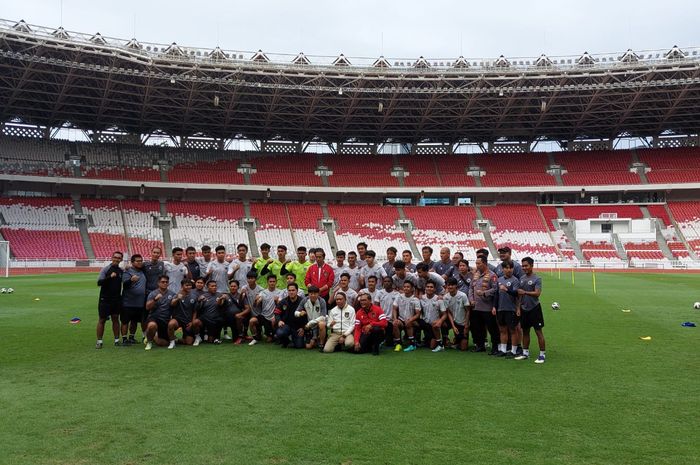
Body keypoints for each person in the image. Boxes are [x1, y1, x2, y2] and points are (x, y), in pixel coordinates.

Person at [515, 257, 546, 363]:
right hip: (524, 309)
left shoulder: (537, 278)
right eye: (523, 266)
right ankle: (525, 353)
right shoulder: (522, 278)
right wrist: (518, 307)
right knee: (525, 331)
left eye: (526, 265)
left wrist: (525, 292)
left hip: (534, 308)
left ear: (531, 266)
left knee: (538, 332)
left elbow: (537, 293)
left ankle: (542, 355)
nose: (524, 268)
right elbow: (519, 295)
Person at [469, 256, 499, 354]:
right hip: (476, 306)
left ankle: (495, 347)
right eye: (476, 263)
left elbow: (495, 289)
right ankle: (480, 345)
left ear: (485, 263)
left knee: (492, 328)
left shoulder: (492, 275)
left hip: (487, 307)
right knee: (478, 327)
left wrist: (484, 293)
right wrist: (471, 299)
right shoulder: (475, 275)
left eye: (479, 263)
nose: (477, 265)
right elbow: (471, 288)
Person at [493, 261, 521, 358]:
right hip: (501, 308)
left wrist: (506, 289)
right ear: (503, 269)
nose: (508, 270)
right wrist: (494, 306)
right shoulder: (499, 279)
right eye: (506, 268)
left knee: (513, 330)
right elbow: (496, 294)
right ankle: (503, 350)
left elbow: (516, 294)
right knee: (502, 330)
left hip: (511, 309)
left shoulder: (515, 280)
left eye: (510, 268)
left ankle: (513, 351)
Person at [96, 251, 124, 349]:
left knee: (115, 319)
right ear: (112, 258)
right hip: (105, 299)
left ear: (121, 259)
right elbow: (99, 283)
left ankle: (117, 340)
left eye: (119, 258)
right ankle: (99, 341)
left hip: (116, 299)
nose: (117, 259)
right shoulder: (106, 269)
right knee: (102, 319)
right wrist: (109, 277)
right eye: (115, 257)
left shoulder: (121, 271)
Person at [144, 275, 177, 351]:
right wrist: (155, 300)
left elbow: (174, 305)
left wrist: (177, 299)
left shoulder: (172, 294)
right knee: (152, 325)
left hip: (165, 320)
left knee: (164, 343)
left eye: (166, 282)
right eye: (163, 282)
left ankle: (154, 337)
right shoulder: (153, 293)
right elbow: (147, 307)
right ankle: (149, 342)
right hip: (154, 318)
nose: (165, 283)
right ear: (158, 283)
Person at [120, 253, 146, 345]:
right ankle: (124, 339)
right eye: (137, 261)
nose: (140, 263)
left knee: (135, 321)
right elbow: (125, 285)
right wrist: (131, 280)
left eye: (141, 261)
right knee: (125, 321)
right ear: (132, 262)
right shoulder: (127, 272)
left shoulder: (142, 271)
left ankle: (131, 337)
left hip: (139, 302)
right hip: (128, 302)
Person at [250, 275, 282, 345]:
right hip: (264, 316)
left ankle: (273, 335)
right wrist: (256, 300)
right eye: (270, 281)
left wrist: (277, 301)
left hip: (274, 316)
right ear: (267, 282)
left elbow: (281, 307)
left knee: (269, 340)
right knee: (252, 321)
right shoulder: (263, 292)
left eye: (274, 281)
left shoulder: (280, 292)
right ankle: (256, 338)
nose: (272, 283)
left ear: (276, 282)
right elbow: (255, 305)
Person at [170, 278, 202, 346]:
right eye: (186, 285)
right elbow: (172, 304)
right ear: (182, 286)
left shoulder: (194, 296)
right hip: (178, 320)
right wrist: (177, 299)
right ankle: (172, 342)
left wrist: (192, 322)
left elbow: (195, 311)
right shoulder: (178, 294)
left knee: (189, 342)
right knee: (171, 324)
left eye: (190, 285)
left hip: (187, 321)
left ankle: (178, 340)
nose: (189, 287)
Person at [442, 277, 471, 351]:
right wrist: (453, 326)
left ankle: (456, 341)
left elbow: (468, 311)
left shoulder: (463, 295)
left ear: (456, 286)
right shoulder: (445, 297)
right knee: (442, 323)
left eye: (452, 285)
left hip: (462, 322)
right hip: (453, 320)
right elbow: (448, 312)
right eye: (448, 285)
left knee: (463, 348)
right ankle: (446, 339)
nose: (450, 287)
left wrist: (466, 325)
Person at [274, 283, 307, 348]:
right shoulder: (283, 302)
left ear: (297, 291)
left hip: (298, 328)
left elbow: (307, 317)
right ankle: (286, 341)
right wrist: (279, 321)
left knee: (299, 346)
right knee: (280, 333)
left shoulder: (303, 302)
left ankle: (296, 340)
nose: (291, 292)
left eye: (293, 290)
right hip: (286, 326)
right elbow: (277, 313)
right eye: (289, 290)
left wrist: (303, 328)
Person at [392, 281, 421, 352]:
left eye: (408, 287)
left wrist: (411, 319)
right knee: (395, 324)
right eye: (404, 287)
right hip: (401, 319)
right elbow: (394, 309)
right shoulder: (399, 297)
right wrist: (395, 319)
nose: (406, 288)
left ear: (412, 289)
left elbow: (418, 314)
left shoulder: (415, 299)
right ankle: (398, 344)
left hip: (413, 320)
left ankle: (412, 345)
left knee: (409, 322)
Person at [420, 280, 447, 352]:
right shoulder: (421, 298)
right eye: (427, 287)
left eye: (431, 287)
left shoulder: (439, 299)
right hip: (425, 324)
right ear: (425, 288)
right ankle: (415, 341)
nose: (429, 288)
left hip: (434, 325)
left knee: (432, 346)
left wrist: (440, 321)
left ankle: (440, 344)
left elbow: (445, 314)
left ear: (435, 289)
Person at [197, 280, 227, 344]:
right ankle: (199, 335)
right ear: (208, 287)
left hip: (216, 319)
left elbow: (220, 304)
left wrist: (221, 298)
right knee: (196, 322)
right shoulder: (203, 295)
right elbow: (198, 308)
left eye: (215, 286)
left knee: (210, 340)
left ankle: (215, 337)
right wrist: (199, 300)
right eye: (212, 286)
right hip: (206, 319)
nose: (214, 287)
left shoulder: (219, 295)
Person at [375, 276, 399, 346]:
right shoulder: (379, 293)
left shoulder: (397, 294)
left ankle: (395, 339)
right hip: (382, 319)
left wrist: (395, 318)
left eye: (389, 281)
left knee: (389, 344)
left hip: (392, 320)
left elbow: (397, 308)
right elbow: (376, 306)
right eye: (385, 281)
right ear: (383, 283)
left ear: (392, 283)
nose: (387, 283)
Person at [239, 271, 261, 342]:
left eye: (252, 278)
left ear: (255, 279)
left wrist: (257, 300)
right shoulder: (244, 287)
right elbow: (240, 302)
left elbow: (256, 304)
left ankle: (259, 334)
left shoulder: (260, 289)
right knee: (242, 317)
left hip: (258, 313)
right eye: (248, 278)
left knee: (259, 334)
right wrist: (242, 293)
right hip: (248, 311)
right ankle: (243, 334)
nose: (250, 280)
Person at [303, 285, 328, 350]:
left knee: (321, 324)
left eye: (315, 293)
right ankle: (316, 338)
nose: (313, 295)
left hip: (318, 324)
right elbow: (296, 312)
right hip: (310, 327)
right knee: (308, 347)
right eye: (311, 294)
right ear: (308, 294)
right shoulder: (305, 300)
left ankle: (321, 343)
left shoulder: (322, 301)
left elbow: (323, 316)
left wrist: (310, 323)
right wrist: (300, 313)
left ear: (318, 294)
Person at [221, 280, 245, 345]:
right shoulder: (226, 295)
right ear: (229, 287)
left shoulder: (241, 296)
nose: (233, 288)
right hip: (227, 318)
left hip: (237, 318)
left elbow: (244, 307)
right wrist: (221, 298)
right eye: (231, 286)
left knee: (234, 339)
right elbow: (220, 304)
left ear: (238, 287)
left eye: (234, 286)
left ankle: (241, 335)